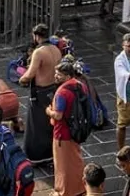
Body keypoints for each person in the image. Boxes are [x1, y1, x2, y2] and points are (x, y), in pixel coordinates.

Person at [19, 23, 62, 163]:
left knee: (37, 125)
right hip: (54, 88)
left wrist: (21, 78)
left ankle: (37, 155)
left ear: (36, 36)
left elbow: (29, 74)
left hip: (41, 91)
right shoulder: (56, 49)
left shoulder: (39, 52)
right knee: (49, 124)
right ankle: (52, 152)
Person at [48, 57, 89, 196]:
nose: (55, 76)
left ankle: (64, 191)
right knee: (76, 160)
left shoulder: (61, 93)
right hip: (76, 129)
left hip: (62, 133)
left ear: (67, 76)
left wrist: (49, 111)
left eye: (59, 74)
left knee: (62, 165)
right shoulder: (80, 85)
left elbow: (58, 115)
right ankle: (80, 187)